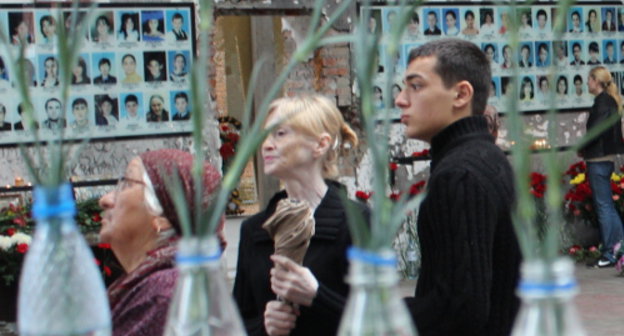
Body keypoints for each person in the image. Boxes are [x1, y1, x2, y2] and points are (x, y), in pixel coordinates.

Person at [394, 38, 521, 336]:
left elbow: (460, 309)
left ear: (461, 94)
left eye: (416, 86)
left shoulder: (461, 175)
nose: (401, 99)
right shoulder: (483, 156)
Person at [233, 94, 367, 336]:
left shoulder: (357, 223)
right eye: (266, 135)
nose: (267, 144)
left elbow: (377, 322)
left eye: (280, 133)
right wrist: (263, 327)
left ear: (320, 144)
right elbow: (235, 324)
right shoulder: (255, 229)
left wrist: (316, 295)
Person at [100, 148, 225, 336]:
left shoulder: (165, 296)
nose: (105, 200)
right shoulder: (159, 286)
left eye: (126, 184)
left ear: (163, 219)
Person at [578, 66, 624, 268]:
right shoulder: (608, 101)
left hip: (598, 159)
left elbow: (596, 131)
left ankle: (611, 252)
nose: (587, 83)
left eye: (589, 79)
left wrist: (582, 146)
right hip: (604, 157)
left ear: (596, 81)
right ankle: (618, 248)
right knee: (608, 206)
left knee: (604, 206)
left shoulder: (603, 102)